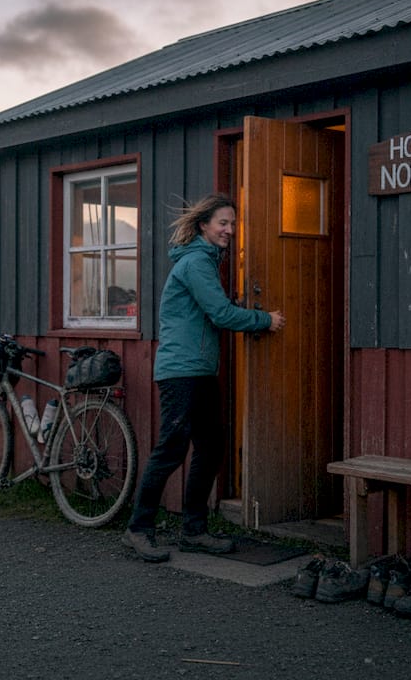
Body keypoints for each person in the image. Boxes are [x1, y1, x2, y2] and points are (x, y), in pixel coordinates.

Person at [121, 193, 286, 562]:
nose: (229, 229)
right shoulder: (196, 262)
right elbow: (221, 314)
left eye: (232, 223)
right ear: (203, 226)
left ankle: (193, 531)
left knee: (211, 447)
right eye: (222, 223)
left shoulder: (205, 261)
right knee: (171, 449)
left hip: (199, 370)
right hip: (181, 372)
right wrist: (265, 320)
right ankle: (138, 529)